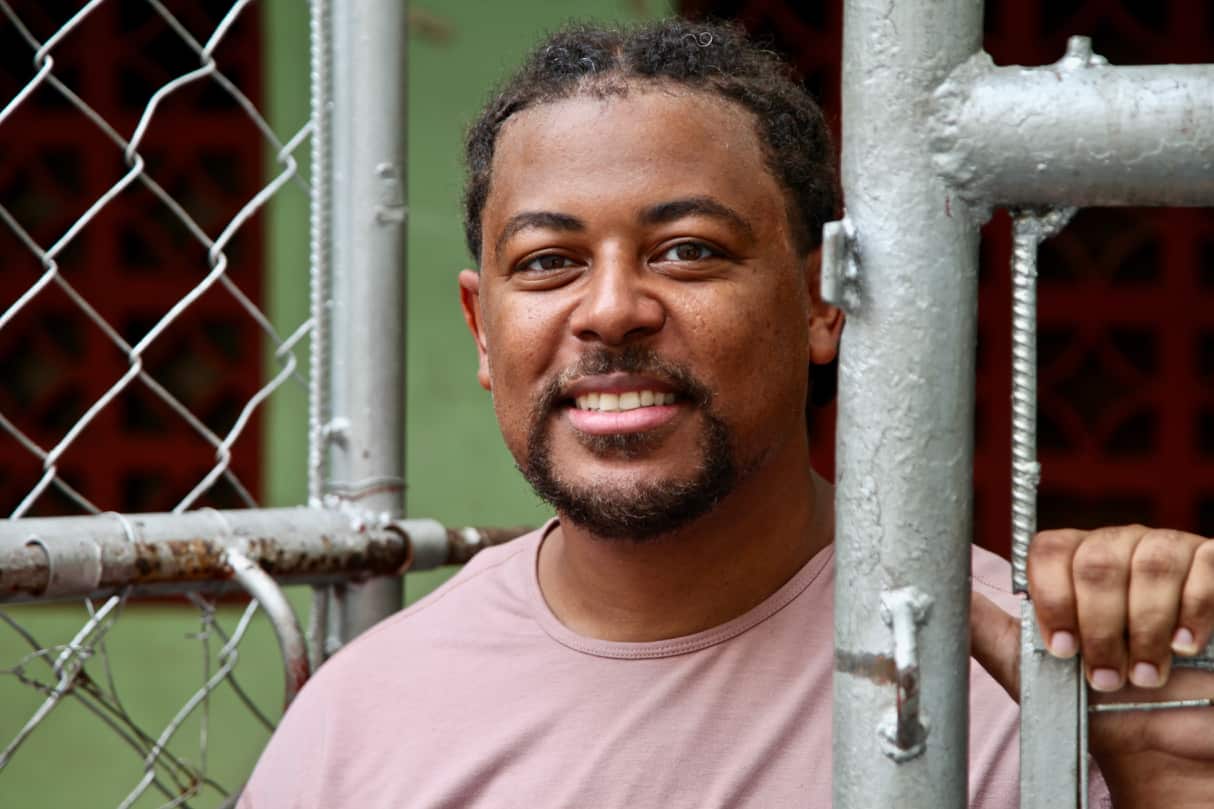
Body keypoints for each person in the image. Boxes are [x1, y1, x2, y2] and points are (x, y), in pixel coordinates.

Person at [241, 19, 1214, 808]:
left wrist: (1159, 783)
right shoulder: (365, 719)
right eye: (548, 262)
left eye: (687, 250)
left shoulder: (1028, 672)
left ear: (821, 301)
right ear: (482, 328)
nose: (611, 307)